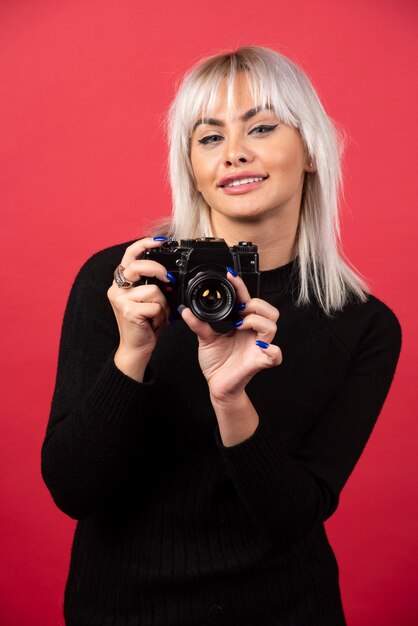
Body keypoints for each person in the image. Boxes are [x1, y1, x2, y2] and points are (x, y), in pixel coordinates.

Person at [41, 46, 402, 625]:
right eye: (209, 138)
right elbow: (73, 491)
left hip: (283, 609)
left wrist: (231, 400)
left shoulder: (361, 324)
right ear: (190, 165)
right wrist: (132, 355)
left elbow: (290, 520)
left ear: (310, 149)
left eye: (261, 127)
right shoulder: (125, 282)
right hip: (119, 609)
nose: (234, 153)